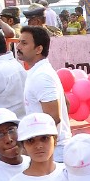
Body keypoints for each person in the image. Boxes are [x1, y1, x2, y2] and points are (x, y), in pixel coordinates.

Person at [17, 26, 72, 163]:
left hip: (53, 152)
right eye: (19, 42)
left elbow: (54, 117)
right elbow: (66, 104)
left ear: (38, 49)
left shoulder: (42, 76)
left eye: (24, 43)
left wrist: (31, 145)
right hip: (49, 150)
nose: (18, 46)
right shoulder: (38, 71)